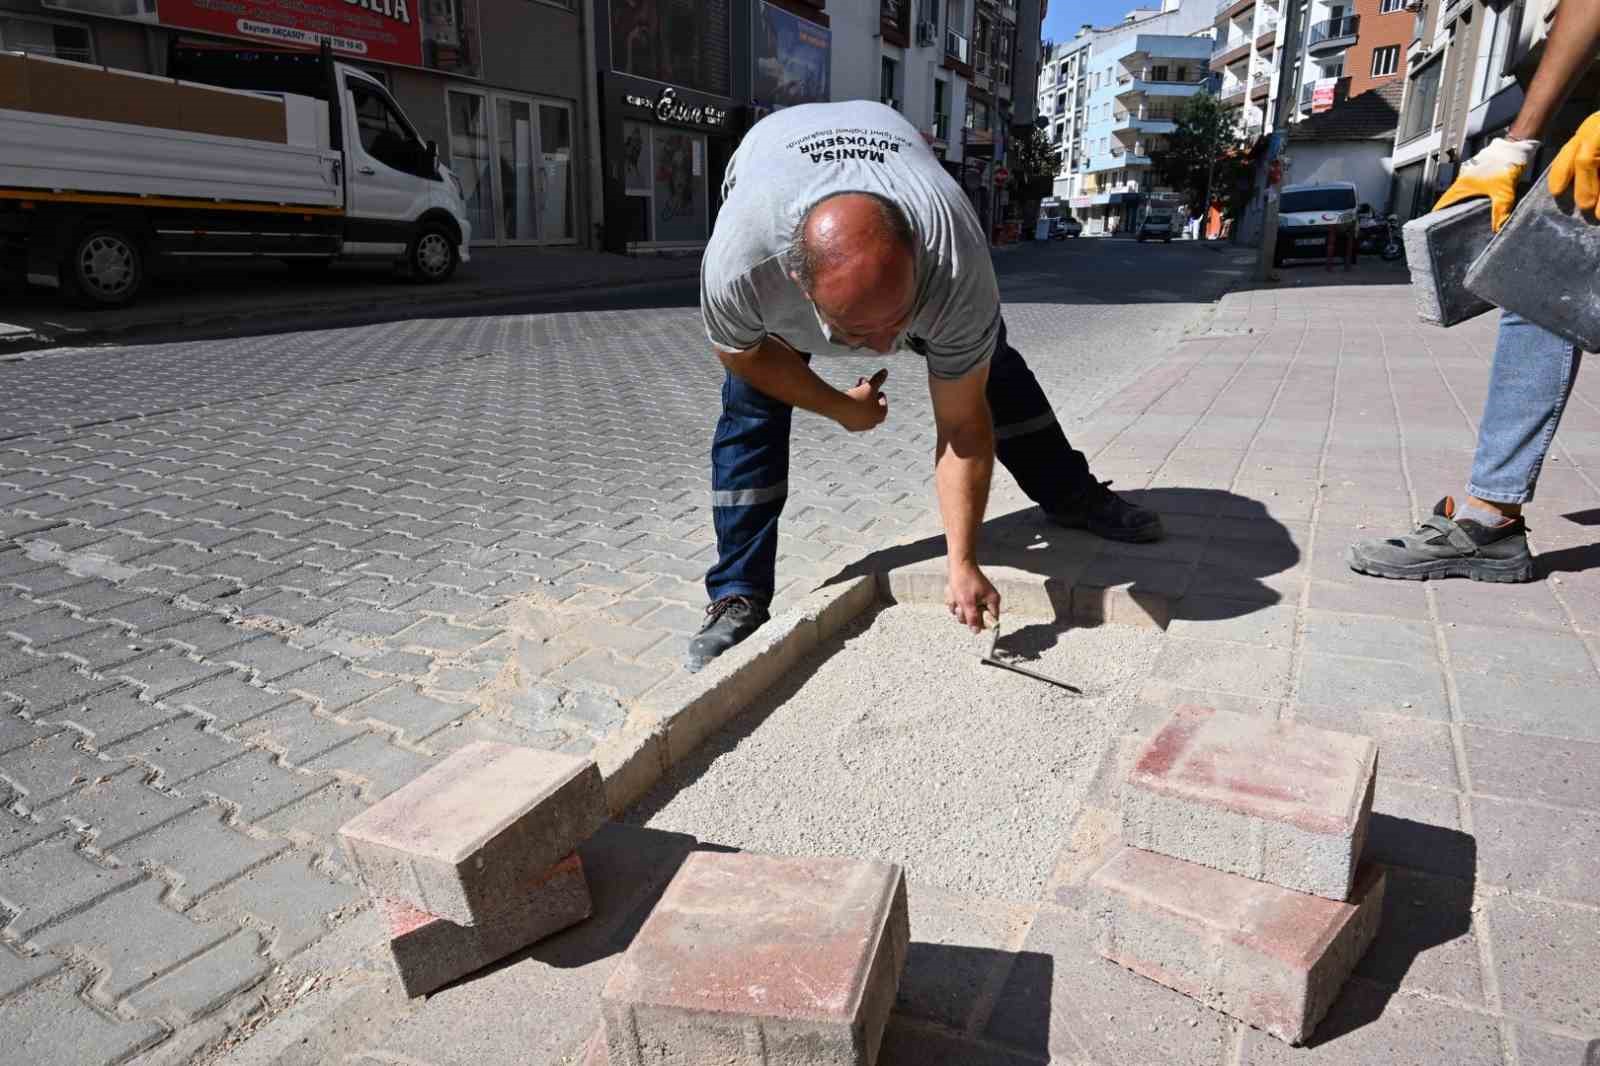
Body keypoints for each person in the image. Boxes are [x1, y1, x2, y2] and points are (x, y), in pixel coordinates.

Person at [687, 100, 1162, 669]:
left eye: (899, 319)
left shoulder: (956, 262)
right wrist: (840, 407)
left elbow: (963, 427)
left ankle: (1071, 496)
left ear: (918, 258)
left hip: (906, 188)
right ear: (797, 282)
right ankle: (737, 595)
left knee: (995, 376)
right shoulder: (743, 265)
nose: (887, 343)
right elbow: (740, 353)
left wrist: (962, 562)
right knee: (752, 411)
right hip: (770, 156)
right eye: (860, 332)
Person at [1349, 0, 1600, 582]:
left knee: (1540, 294)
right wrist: (1518, 143)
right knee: (1538, 296)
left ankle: (1491, 518)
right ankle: (1491, 514)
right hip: (1574, 100)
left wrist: (1519, 141)